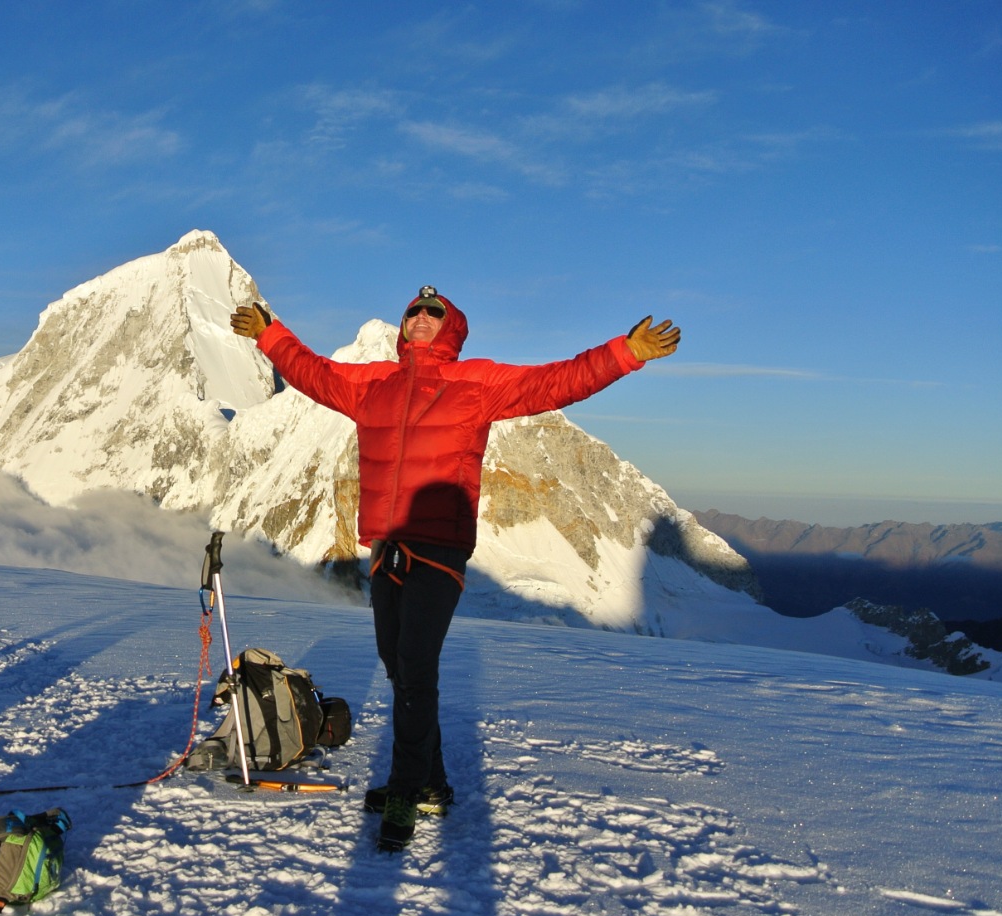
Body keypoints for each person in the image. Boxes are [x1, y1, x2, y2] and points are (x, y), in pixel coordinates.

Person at [230, 289, 679, 850]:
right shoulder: (373, 384)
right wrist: (269, 335)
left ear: (451, 328)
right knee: (398, 665)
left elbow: (556, 381)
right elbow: (313, 373)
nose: (420, 317)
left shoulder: (477, 382)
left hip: (438, 548)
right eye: (413, 312)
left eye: (433, 313)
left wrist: (625, 353)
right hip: (387, 546)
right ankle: (432, 785)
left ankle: (403, 789)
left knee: (416, 665)